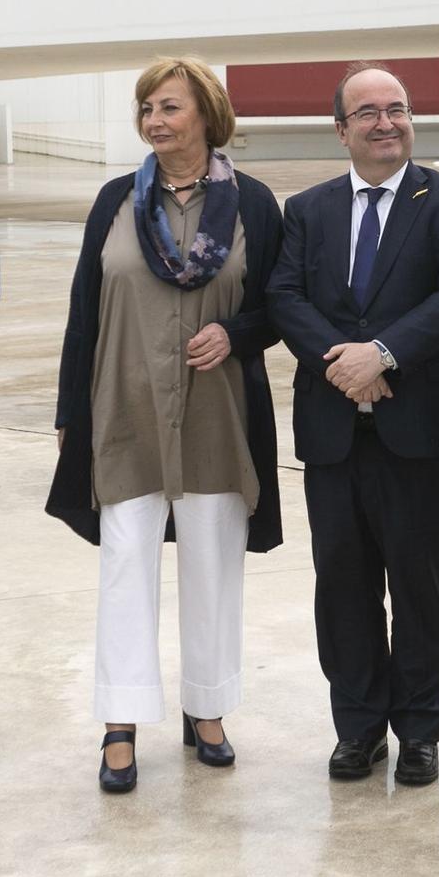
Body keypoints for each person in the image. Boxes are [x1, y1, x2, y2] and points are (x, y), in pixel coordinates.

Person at [46, 57, 285, 793]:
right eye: (146, 106)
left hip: (217, 412)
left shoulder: (252, 202)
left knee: (213, 558)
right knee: (125, 562)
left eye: (169, 106)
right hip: (124, 405)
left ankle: (206, 709)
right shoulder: (118, 198)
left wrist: (238, 336)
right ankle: (120, 719)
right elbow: (85, 309)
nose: (155, 119)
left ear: (207, 115)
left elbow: (281, 302)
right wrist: (68, 416)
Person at [267, 62, 439, 787]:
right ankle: (357, 727)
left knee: (422, 586)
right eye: (368, 112)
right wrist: (346, 362)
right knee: (344, 585)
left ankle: (420, 728)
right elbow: (285, 296)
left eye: (397, 109)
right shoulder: (308, 210)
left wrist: (384, 353)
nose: (386, 121)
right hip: (334, 430)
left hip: (422, 427)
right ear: (341, 129)